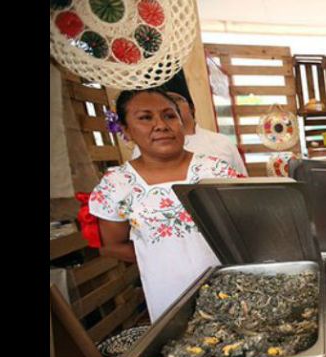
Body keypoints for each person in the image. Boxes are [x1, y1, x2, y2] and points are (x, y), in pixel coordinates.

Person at [90, 88, 240, 322]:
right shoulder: (117, 184)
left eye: (169, 115)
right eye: (145, 117)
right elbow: (111, 246)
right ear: (126, 129)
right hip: (169, 296)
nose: (161, 125)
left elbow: (247, 227)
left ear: (181, 121)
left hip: (230, 287)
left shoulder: (216, 171)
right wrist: (162, 257)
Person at [132, 91, 248, 176]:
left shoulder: (222, 142)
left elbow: (241, 182)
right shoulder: (144, 148)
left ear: (192, 109)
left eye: (176, 101)